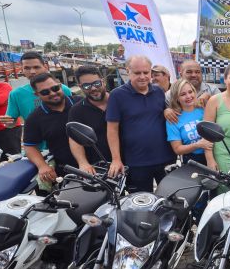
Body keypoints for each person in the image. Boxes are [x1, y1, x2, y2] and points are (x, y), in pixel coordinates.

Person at [106, 55, 175, 192]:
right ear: (128, 71)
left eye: (146, 72)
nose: (142, 77)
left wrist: (167, 109)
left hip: (166, 158)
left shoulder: (159, 92)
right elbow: (112, 129)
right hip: (136, 163)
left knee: (171, 200)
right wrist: (116, 159)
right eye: (137, 73)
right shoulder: (117, 95)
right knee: (141, 205)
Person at [0, 52, 73, 149]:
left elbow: (72, 116)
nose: (32, 72)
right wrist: (8, 122)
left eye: (36, 67)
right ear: (22, 69)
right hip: (37, 148)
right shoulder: (16, 94)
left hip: (66, 144)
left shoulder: (61, 90)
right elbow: (11, 123)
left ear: (45, 67)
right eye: (27, 68)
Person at [22, 74, 79, 183]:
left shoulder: (81, 103)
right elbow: (30, 146)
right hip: (67, 171)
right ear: (37, 95)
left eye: (55, 88)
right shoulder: (34, 118)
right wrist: (42, 165)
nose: (52, 93)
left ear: (60, 86)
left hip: (100, 163)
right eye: (45, 92)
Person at [68, 66, 111, 175]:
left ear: (103, 81)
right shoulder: (77, 110)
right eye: (86, 86)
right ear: (80, 87)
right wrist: (83, 163)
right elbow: (74, 139)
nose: (93, 89)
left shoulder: (118, 101)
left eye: (96, 83)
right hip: (100, 166)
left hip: (131, 161)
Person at [165, 79, 210, 165]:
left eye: (190, 92)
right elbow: (177, 149)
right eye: (183, 94)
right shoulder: (173, 118)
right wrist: (198, 145)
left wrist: (207, 95)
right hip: (193, 160)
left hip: (214, 154)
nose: (188, 96)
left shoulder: (204, 108)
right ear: (176, 98)